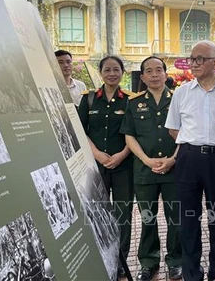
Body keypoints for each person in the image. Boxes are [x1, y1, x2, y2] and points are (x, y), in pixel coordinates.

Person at [165, 40, 215, 281]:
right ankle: (192, 273)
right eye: (192, 58)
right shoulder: (181, 92)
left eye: (200, 59)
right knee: (188, 219)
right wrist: (192, 143)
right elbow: (174, 129)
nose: (194, 63)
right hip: (188, 160)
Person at [120, 56, 182, 281]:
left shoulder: (178, 99)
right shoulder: (134, 103)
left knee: (175, 217)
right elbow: (129, 135)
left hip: (174, 169)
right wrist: (146, 160)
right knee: (147, 218)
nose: (155, 75)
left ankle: (176, 260)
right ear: (143, 77)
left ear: (166, 74)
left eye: (159, 70)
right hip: (145, 171)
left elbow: (186, 134)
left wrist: (173, 159)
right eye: (149, 71)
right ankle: (148, 262)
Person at [77, 55, 133, 278]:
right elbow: (81, 130)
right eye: (107, 69)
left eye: (116, 69)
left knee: (123, 214)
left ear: (122, 73)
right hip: (96, 166)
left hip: (123, 166)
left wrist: (120, 155)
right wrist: (98, 155)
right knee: (97, 214)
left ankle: (121, 260)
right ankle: (100, 257)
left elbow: (133, 133)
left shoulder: (130, 100)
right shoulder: (89, 99)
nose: (112, 73)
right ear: (101, 73)